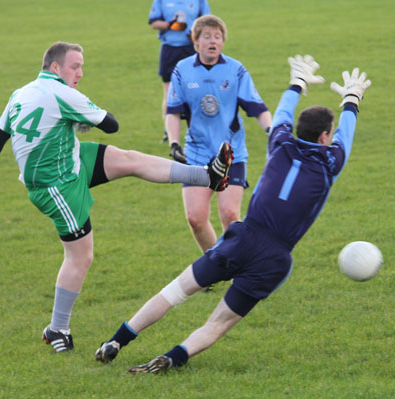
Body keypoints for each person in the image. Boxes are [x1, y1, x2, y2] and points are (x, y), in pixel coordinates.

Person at [94, 55, 371, 374]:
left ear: (298, 130)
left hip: (241, 237)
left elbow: (281, 114)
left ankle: (116, 341)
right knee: (217, 324)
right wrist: (352, 98)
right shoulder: (330, 163)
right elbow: (345, 137)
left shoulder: (279, 143)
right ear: (325, 137)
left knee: (173, 292)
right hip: (274, 258)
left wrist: (297, 82)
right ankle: (173, 358)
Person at [0, 41, 234, 353]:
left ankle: (207, 175)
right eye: (75, 66)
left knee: (130, 160)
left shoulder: (21, 93)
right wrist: (85, 118)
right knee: (80, 256)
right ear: (56, 67)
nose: (81, 73)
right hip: (55, 185)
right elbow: (112, 125)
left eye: (82, 66)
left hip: (70, 158)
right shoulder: (64, 94)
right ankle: (57, 328)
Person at [166, 15, 272, 288]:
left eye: (217, 36)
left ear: (223, 41)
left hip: (230, 153)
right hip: (198, 154)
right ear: (196, 41)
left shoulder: (236, 71)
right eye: (207, 36)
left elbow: (256, 107)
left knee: (229, 215)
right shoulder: (182, 70)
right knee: (196, 218)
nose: (213, 41)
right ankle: (216, 265)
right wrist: (174, 143)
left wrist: (273, 132)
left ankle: (236, 267)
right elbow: (173, 112)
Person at [148, 0, 211, 143]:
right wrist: (171, 24)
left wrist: (195, 34)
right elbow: (153, 23)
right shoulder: (161, 1)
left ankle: (200, 130)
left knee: (197, 90)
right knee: (169, 91)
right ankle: (168, 132)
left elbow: (207, 22)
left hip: (192, 50)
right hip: (169, 50)